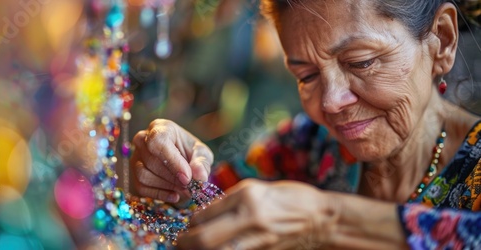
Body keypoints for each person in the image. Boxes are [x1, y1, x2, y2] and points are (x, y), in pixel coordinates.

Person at [130, 0, 481, 249]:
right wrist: (175, 176)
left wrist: (326, 220)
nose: (330, 102)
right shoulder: (307, 146)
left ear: (442, 40)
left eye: (361, 62)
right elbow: (209, 213)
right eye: (307, 75)